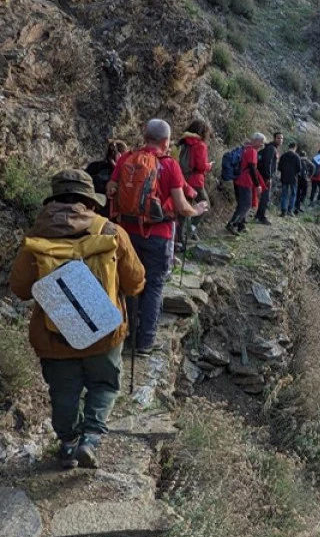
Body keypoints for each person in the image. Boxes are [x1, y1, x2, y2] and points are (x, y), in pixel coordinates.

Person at [11, 170, 146, 469]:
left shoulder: (35, 239)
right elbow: (136, 282)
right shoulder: (110, 232)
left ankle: (69, 444)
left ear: (53, 200)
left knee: (63, 391)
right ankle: (91, 439)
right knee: (105, 384)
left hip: (54, 334)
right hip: (104, 331)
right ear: (90, 202)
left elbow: (19, 289)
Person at [109, 119, 208, 357]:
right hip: (158, 235)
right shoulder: (169, 165)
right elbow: (182, 206)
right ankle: (145, 343)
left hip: (126, 233)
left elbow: (110, 189)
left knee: (130, 284)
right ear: (166, 141)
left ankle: (127, 334)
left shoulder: (125, 159)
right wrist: (198, 210)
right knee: (153, 286)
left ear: (145, 136)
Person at [227, 134, 265, 235]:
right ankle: (232, 224)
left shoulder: (244, 148)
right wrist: (257, 185)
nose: (262, 144)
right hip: (245, 180)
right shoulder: (252, 151)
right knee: (246, 204)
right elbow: (252, 168)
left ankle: (241, 225)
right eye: (261, 141)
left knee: (241, 203)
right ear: (255, 140)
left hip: (237, 179)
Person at [177, 120, 212, 219]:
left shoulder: (182, 141)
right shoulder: (200, 145)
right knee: (205, 205)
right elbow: (201, 166)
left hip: (181, 178)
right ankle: (191, 229)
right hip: (195, 180)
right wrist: (209, 166)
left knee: (185, 206)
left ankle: (182, 233)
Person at [255, 132, 282, 224]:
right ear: (274, 138)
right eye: (278, 138)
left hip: (263, 175)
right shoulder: (271, 149)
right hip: (265, 176)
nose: (280, 140)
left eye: (281, 139)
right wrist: (268, 177)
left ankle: (259, 215)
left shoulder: (271, 148)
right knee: (265, 197)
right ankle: (261, 217)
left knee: (264, 197)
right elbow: (268, 163)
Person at [278, 142, 302, 217]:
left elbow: (279, 167)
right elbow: (299, 168)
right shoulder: (297, 156)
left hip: (284, 177)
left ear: (288, 147)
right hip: (293, 178)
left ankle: (283, 211)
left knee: (284, 194)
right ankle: (290, 210)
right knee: (293, 194)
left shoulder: (283, 155)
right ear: (295, 147)